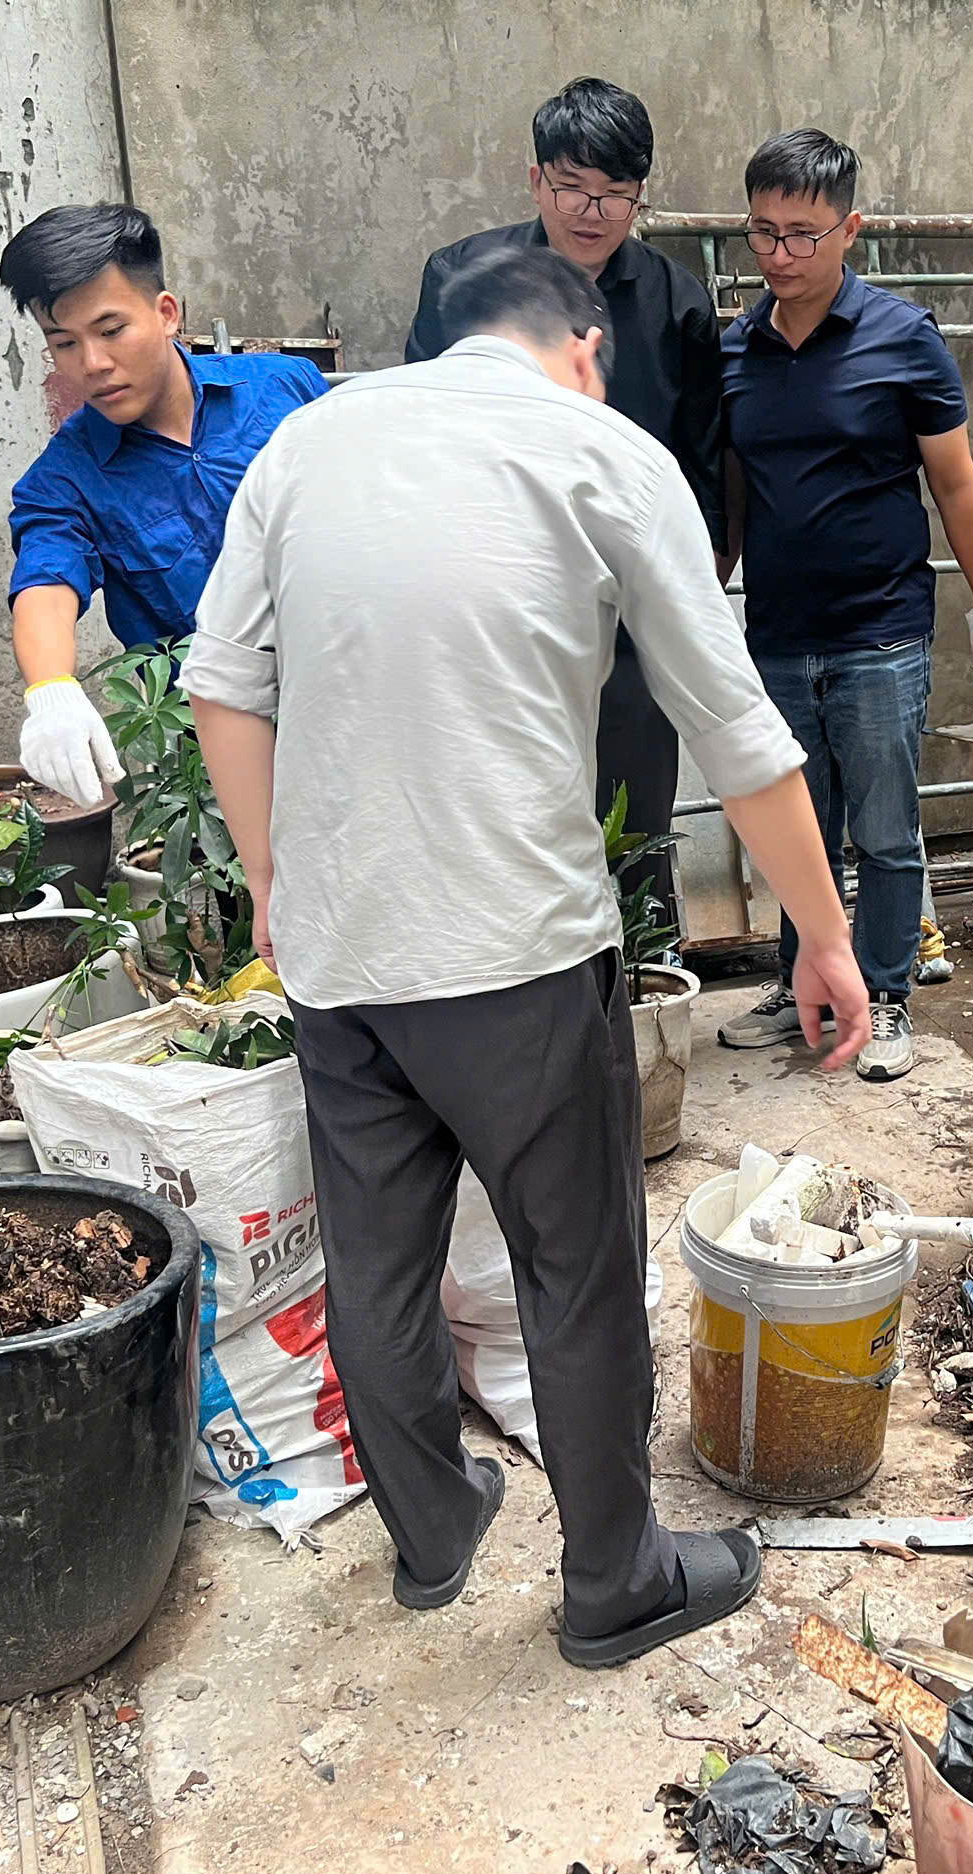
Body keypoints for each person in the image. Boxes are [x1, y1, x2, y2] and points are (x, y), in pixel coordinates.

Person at [179, 247, 870, 1668]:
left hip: (342, 956)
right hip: (517, 958)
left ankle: (433, 1532)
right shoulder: (599, 448)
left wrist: (271, 880)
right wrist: (824, 932)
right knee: (577, 1270)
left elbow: (224, 684)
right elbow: (735, 729)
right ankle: (617, 1580)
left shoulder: (305, 446)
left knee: (378, 1262)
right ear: (583, 345)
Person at [405, 77, 723, 928]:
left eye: (615, 193)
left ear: (640, 194)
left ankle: (643, 974)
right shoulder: (460, 280)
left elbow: (703, 463)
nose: (591, 211)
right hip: (493, 596)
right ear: (535, 179)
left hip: (629, 602)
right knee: (501, 808)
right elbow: (422, 431)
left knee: (635, 814)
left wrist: (686, 595)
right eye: (571, 186)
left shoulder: (678, 303)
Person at [713, 128, 973, 1083]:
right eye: (762, 232)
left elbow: (957, 488)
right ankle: (801, 985)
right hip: (778, 635)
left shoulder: (903, 338)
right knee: (798, 828)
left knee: (883, 831)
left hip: (881, 635)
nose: (779, 254)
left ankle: (885, 993)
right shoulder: (736, 351)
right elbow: (735, 500)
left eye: (802, 234)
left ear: (850, 230)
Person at [0, 203, 329, 806]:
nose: (93, 364)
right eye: (64, 343)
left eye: (111, 330)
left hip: (359, 698)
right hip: (229, 765)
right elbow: (45, 581)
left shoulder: (285, 388)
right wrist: (50, 690)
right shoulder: (65, 480)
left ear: (166, 313)